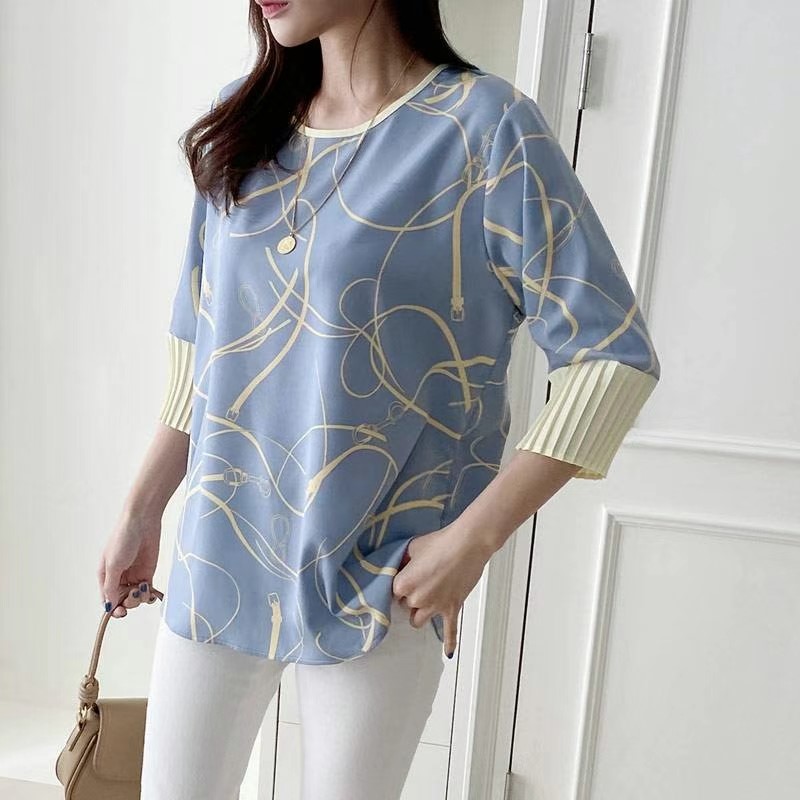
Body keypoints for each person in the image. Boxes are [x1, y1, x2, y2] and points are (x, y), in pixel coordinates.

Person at [96, 1, 661, 798]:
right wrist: (142, 508)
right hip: (220, 553)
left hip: (378, 578)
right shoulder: (243, 123)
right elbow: (203, 347)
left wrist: (472, 541)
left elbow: (610, 357)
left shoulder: (483, 129)